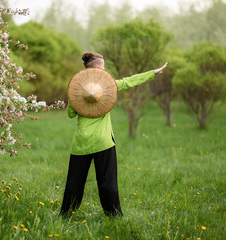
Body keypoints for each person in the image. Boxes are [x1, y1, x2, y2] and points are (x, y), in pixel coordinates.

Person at [60, 51, 168, 217]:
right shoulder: (108, 86)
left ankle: (66, 215)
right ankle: (114, 216)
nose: (105, 69)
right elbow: (129, 81)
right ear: (97, 68)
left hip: (82, 143)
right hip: (103, 142)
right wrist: (152, 73)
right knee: (107, 182)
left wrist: (73, 96)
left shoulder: (76, 90)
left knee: (75, 183)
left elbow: (71, 114)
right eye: (103, 67)